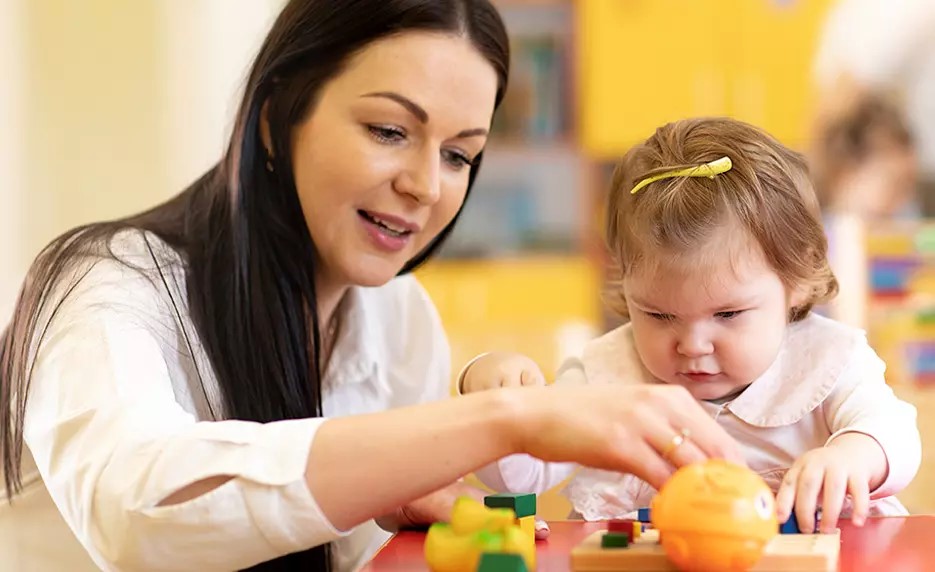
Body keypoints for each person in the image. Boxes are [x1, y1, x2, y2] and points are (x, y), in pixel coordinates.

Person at [0, 2, 744, 571]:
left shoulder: (395, 318)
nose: (425, 185)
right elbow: (136, 512)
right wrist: (507, 419)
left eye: (459, 154)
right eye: (389, 131)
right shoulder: (106, 286)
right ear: (274, 118)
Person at [463, 117, 922, 536]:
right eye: (659, 315)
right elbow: (520, 475)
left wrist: (854, 455)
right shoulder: (606, 375)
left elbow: (894, 433)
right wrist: (495, 400)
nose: (693, 345)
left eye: (727, 315)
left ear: (797, 280)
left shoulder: (827, 362)